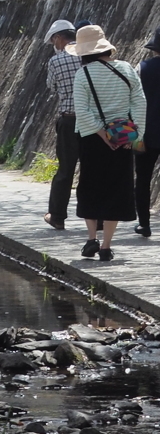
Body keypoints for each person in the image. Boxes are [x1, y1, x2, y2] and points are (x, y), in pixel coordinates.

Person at [72, 24, 146, 262]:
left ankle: (92, 238)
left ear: (84, 51)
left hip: (92, 140)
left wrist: (103, 135)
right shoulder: (125, 68)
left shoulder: (83, 74)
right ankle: (106, 246)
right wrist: (133, 136)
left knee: (90, 187)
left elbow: (82, 112)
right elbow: (140, 103)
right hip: (123, 138)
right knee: (117, 188)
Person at [42, 19, 80, 230]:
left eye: (53, 40)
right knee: (92, 169)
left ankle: (57, 216)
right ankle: (97, 218)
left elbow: (52, 86)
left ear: (58, 38)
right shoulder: (91, 56)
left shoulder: (56, 62)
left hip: (69, 119)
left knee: (65, 170)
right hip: (93, 122)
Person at [135, 28, 160, 237]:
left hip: (148, 132)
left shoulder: (142, 68)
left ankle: (144, 223)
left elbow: (134, 101)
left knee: (143, 179)